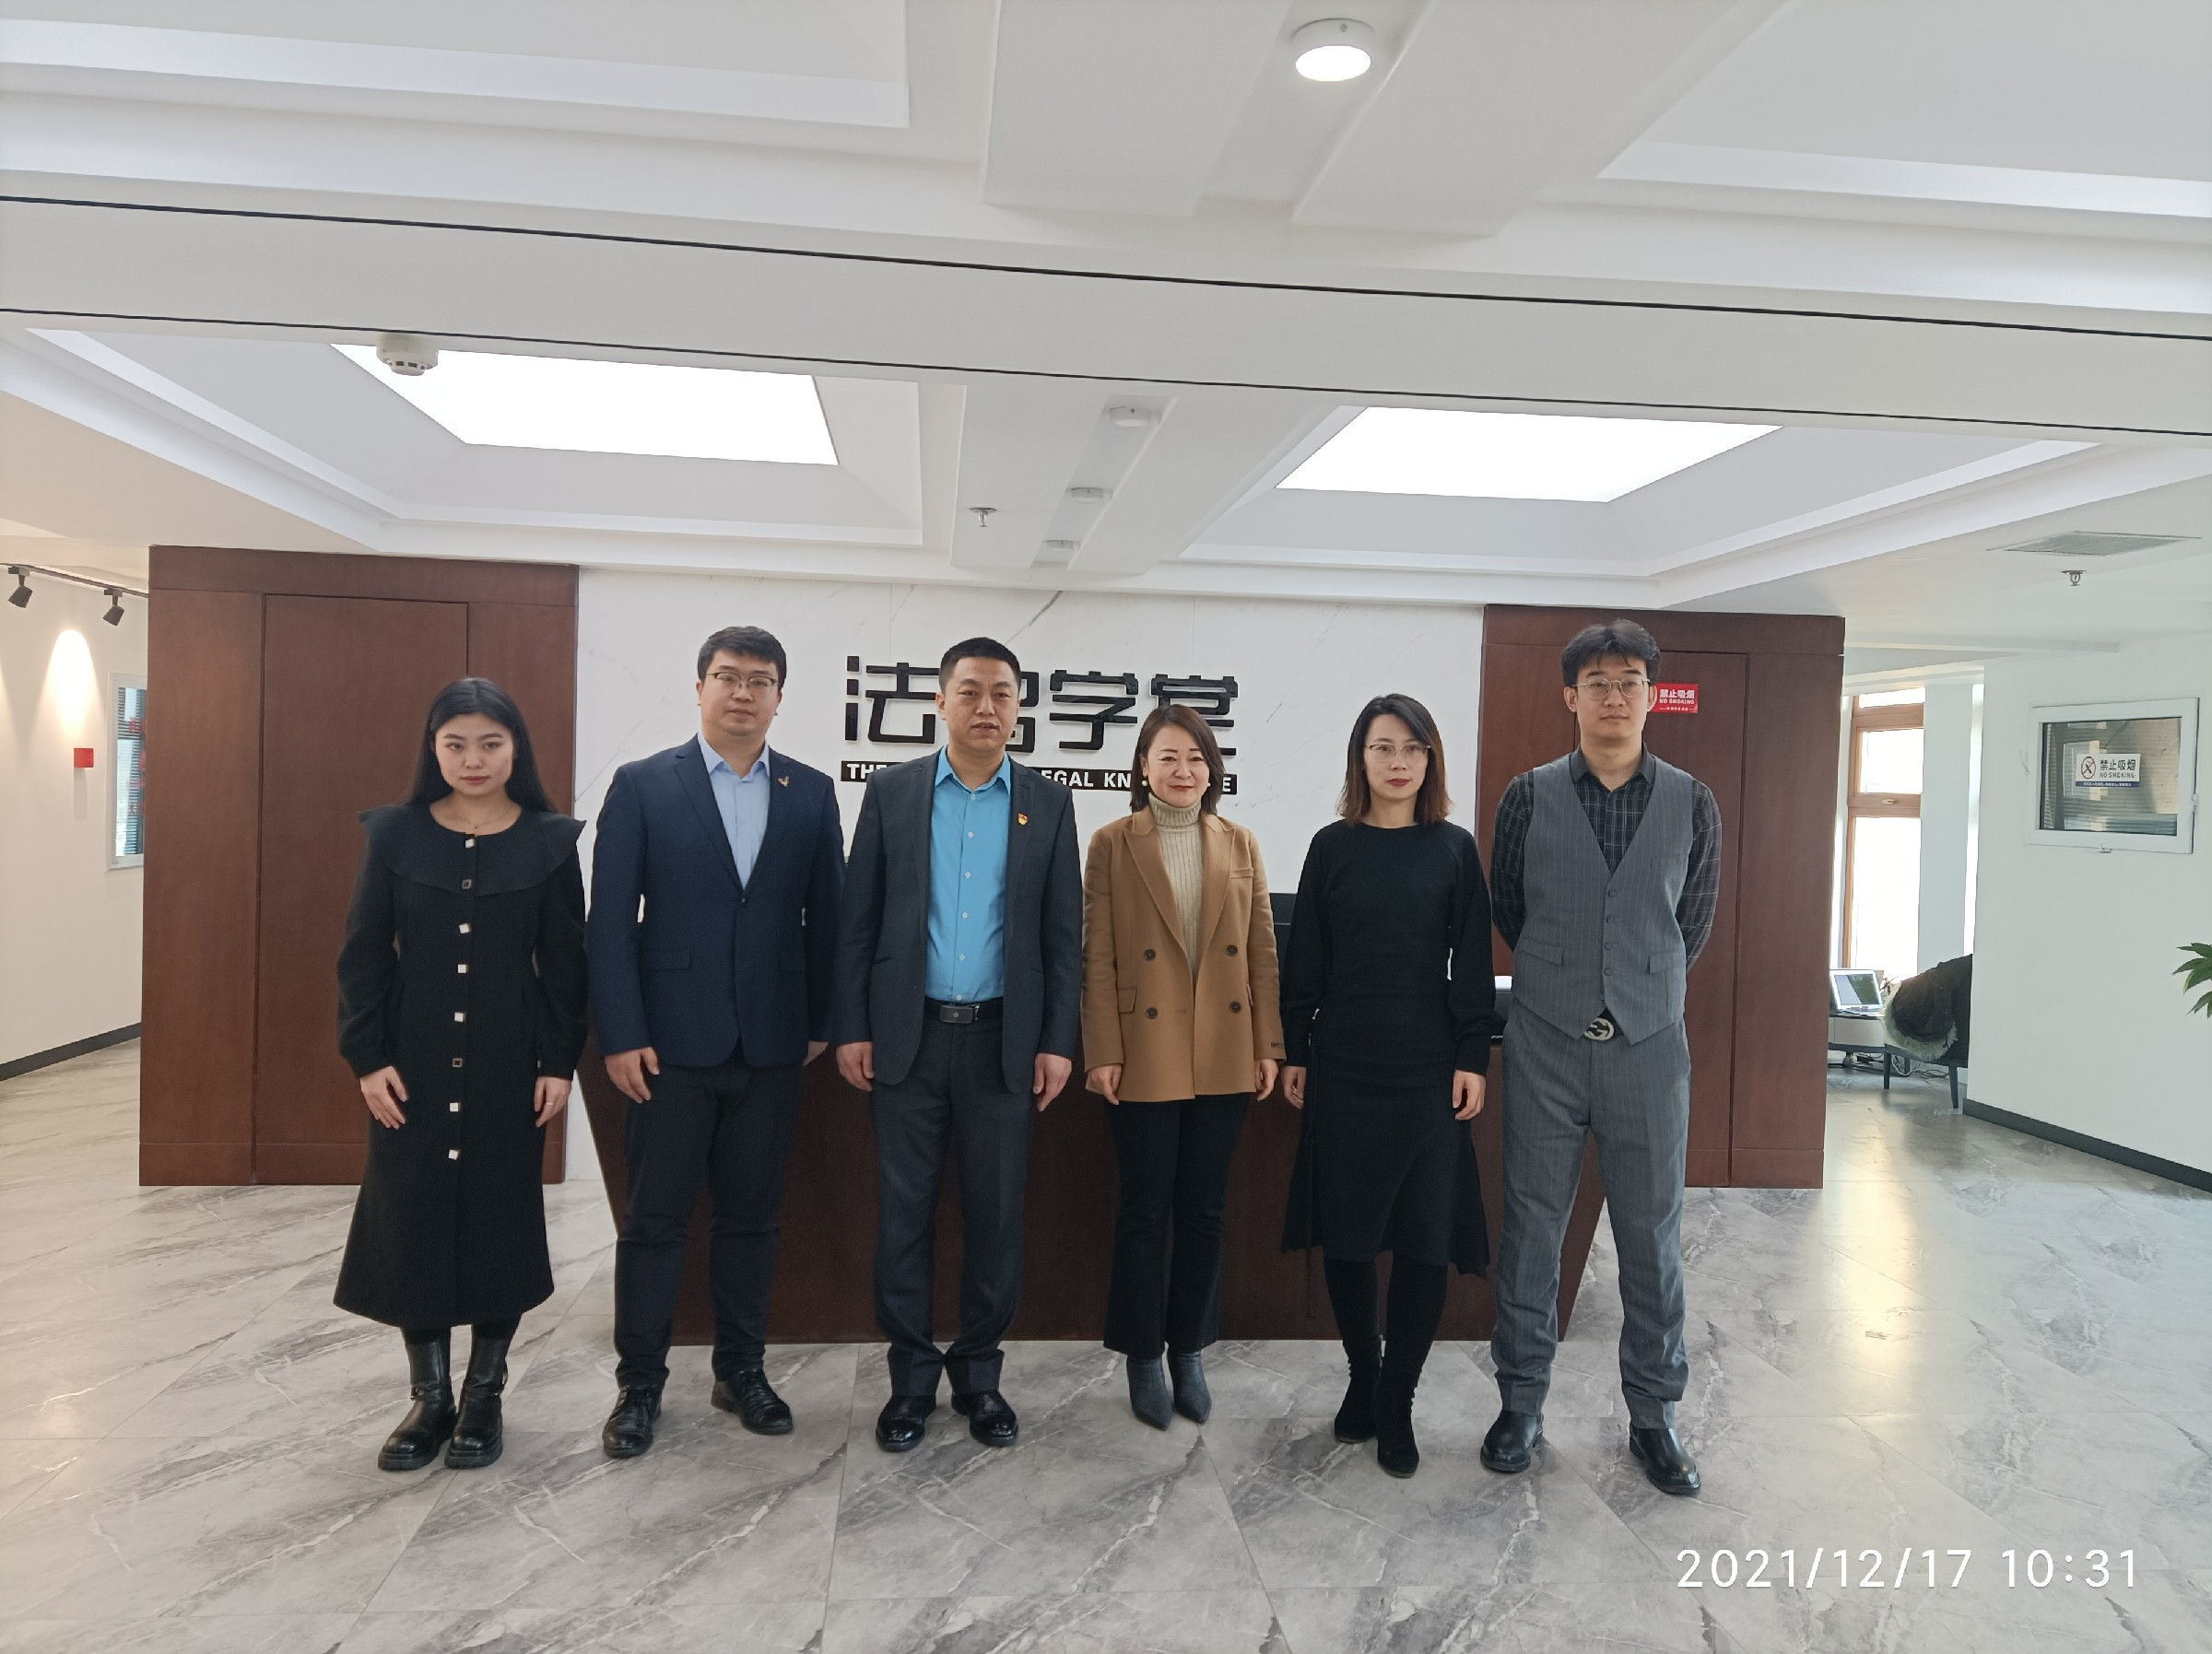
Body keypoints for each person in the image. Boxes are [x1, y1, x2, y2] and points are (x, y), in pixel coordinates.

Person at [587, 626, 844, 1460]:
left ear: (779, 698)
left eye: (760, 679)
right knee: (654, 1222)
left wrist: (820, 1021)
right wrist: (621, 1033)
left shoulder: (810, 792)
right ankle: (639, 1386)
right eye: (727, 676)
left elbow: (829, 920)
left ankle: (741, 1369)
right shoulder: (642, 785)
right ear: (699, 688)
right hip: (667, 1047)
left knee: (751, 1220)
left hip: (772, 1045)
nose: (742, 692)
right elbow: (609, 923)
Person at [1483, 619, 1723, 1497]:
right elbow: (1511, 907)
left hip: (1650, 1048)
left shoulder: (1693, 802)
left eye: (1628, 682)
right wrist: (1570, 975)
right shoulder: (1528, 795)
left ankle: (1655, 1416)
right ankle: (1520, 1402)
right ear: (1570, 697)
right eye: (1597, 683)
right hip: (1545, 1040)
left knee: (1651, 1235)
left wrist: (1635, 981)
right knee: (1532, 1228)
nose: (1613, 697)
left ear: (1651, 696)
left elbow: (1690, 922)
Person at [834, 637, 1081, 1453]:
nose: (986, 706)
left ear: (1019, 708)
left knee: (996, 1216)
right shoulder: (893, 792)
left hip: (1003, 1044)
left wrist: (1057, 1039)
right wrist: (853, 1025)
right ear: (940, 702)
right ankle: (910, 1379)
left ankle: (979, 1374)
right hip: (907, 1038)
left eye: (1002, 693)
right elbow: (858, 920)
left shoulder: (1048, 803)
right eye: (970, 691)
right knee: (902, 1214)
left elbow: (1062, 936)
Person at [336, 677, 586, 1473]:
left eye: (489, 743)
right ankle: (429, 1397)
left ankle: (484, 1394)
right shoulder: (395, 834)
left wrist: (558, 1062)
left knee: (497, 1219)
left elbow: (566, 967)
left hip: (510, 1065)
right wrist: (367, 1056)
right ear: (433, 749)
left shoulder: (549, 841)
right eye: (456, 744)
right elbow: (363, 955)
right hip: (409, 1064)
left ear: (516, 749)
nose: (473, 759)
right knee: (410, 1219)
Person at [1278, 694, 1496, 1479]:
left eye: (1412, 747)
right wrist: (1296, 1049)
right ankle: (1362, 1376)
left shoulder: (1453, 848)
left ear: (1430, 759)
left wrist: (1473, 1054)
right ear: (1360, 758)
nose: (1398, 761)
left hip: (1429, 1069)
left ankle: (1398, 1398)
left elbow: (1472, 962)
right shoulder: (1331, 847)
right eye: (1382, 747)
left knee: (1424, 1239)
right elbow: (1306, 958)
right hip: (1344, 1063)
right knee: (1347, 1234)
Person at [1081, 705, 1285, 1430]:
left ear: (1212, 769)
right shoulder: (1113, 842)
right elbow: (1098, 955)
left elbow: (1261, 950)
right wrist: (1102, 1048)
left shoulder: (1240, 841)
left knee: (1204, 1208)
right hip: (1143, 1046)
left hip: (1224, 1046)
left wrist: (1269, 1043)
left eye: (1196, 758)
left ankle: (1189, 1349)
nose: (1183, 770)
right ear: (1142, 767)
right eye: (1168, 756)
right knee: (1144, 1209)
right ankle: (1143, 1354)